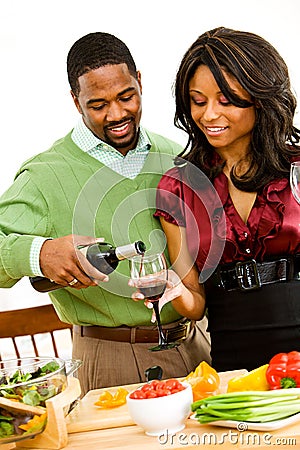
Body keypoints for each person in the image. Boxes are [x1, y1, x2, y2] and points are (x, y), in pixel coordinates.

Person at [0, 32, 211, 395]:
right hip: (109, 360)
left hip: (196, 349)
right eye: (98, 105)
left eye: (126, 97)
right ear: (75, 100)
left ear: (140, 82)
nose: (117, 114)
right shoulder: (43, 175)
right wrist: (39, 253)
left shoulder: (177, 155)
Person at [149, 27, 300, 372]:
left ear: (260, 97)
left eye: (226, 100)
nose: (208, 115)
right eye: (198, 101)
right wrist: (173, 289)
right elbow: (196, 304)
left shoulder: (297, 169)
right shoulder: (178, 188)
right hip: (233, 359)